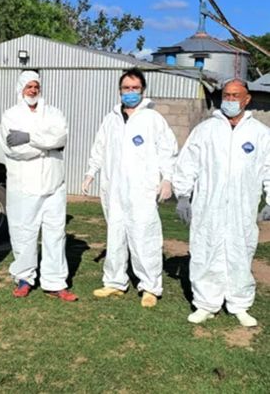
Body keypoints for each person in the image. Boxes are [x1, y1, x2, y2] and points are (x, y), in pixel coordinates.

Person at [174, 79, 270, 327]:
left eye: (235, 95)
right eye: (226, 95)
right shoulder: (206, 130)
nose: (230, 100)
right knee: (205, 251)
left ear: (247, 98)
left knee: (241, 253)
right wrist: (183, 195)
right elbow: (188, 163)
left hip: (242, 208)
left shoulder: (260, 134)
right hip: (208, 206)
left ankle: (240, 304)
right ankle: (205, 304)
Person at [82, 68, 177, 307]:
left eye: (135, 88)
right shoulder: (111, 118)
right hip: (114, 188)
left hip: (142, 189)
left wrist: (167, 178)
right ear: (120, 91)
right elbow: (99, 147)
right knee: (115, 236)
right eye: (126, 88)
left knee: (144, 236)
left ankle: (150, 286)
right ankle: (114, 282)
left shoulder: (152, 119)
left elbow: (168, 149)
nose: (130, 93)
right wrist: (90, 173)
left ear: (143, 90)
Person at [0, 70, 77, 301]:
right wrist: (46, 144)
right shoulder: (11, 115)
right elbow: (14, 150)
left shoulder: (54, 112)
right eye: (28, 86)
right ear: (20, 89)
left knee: (55, 234)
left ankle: (55, 282)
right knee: (24, 232)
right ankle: (24, 278)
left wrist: (29, 137)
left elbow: (61, 138)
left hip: (54, 184)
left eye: (36, 86)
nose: (33, 90)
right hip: (24, 185)